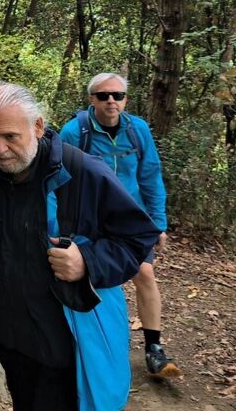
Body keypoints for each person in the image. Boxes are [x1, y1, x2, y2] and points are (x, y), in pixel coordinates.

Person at [0, 82, 160, 411]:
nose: (0, 148)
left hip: (66, 342)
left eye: (10, 136)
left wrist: (87, 261)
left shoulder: (83, 173)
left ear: (37, 126)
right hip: (9, 335)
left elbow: (137, 238)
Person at [59, 73, 180, 379]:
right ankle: (91, 347)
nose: (111, 100)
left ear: (126, 98)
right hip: (89, 220)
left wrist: (157, 224)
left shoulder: (138, 131)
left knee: (145, 272)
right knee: (88, 277)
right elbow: (57, 179)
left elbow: (150, 177)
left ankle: (154, 348)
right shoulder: (75, 132)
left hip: (129, 219)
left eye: (118, 95)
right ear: (92, 100)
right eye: (103, 95)